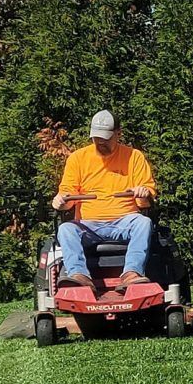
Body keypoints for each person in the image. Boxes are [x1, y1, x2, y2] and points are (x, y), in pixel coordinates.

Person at [52, 109, 158, 289]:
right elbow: (68, 197)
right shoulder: (78, 158)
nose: (100, 142)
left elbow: (144, 203)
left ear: (118, 134)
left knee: (144, 223)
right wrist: (61, 202)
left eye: (106, 138)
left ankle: (132, 273)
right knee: (66, 229)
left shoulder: (134, 157)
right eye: (96, 137)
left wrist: (143, 193)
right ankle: (79, 275)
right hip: (88, 224)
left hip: (125, 221)